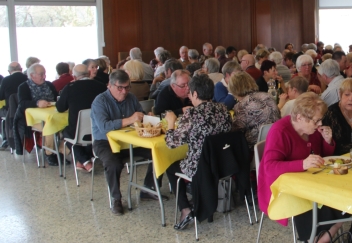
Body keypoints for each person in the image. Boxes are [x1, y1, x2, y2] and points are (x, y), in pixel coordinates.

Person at [258, 92, 343, 243]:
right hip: (279, 187)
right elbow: (269, 167)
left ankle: (322, 239)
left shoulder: (311, 131)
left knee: (338, 193)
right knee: (313, 197)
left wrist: (328, 141)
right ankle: (316, 241)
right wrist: (302, 164)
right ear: (299, 118)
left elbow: (321, 156)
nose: (319, 124)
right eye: (316, 121)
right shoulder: (280, 131)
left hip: (306, 180)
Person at [165, 74, 232, 230]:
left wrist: (170, 123)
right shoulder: (223, 109)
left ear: (195, 94)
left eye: (190, 93)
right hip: (222, 164)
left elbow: (171, 142)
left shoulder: (192, 115)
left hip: (200, 167)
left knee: (170, 167)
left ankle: (185, 208)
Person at [91, 70, 163, 215]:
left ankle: (148, 188)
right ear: (109, 86)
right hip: (104, 142)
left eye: (127, 87)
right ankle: (116, 198)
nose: (124, 92)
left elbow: (140, 116)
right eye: (120, 88)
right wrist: (130, 119)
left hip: (130, 140)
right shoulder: (100, 101)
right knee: (113, 163)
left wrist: (148, 118)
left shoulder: (131, 98)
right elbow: (104, 126)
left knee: (157, 152)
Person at [56, 64, 106, 172]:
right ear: (88, 73)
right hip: (99, 128)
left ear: (74, 77)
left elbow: (60, 108)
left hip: (77, 132)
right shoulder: (101, 86)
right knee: (84, 134)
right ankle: (82, 161)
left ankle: (84, 161)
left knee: (66, 133)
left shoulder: (69, 88)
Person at [13, 64, 59, 160]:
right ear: (32, 75)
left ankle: (61, 151)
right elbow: (22, 103)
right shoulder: (24, 87)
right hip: (32, 119)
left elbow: (56, 99)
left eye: (44, 74)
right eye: (41, 74)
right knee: (50, 126)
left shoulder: (49, 85)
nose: (44, 76)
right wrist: (37, 103)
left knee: (67, 125)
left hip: (51, 115)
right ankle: (49, 153)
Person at [229, 72, 280, 149]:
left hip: (255, 149)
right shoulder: (267, 96)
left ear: (234, 89)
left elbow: (236, 132)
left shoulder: (241, 106)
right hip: (276, 141)